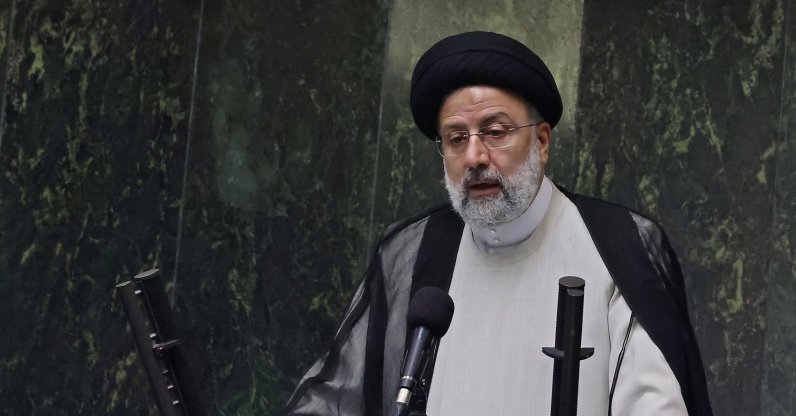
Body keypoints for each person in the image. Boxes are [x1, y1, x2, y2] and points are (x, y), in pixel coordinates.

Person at [283, 31, 712, 416]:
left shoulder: (619, 245)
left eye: (495, 131)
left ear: (541, 142)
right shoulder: (413, 250)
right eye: (456, 138)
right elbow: (339, 397)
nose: (475, 158)